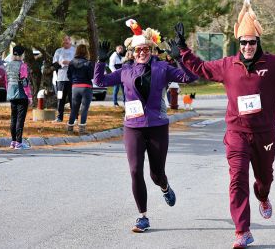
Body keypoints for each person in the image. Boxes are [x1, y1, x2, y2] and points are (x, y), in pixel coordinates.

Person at [172, 0, 275, 248]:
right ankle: (242, 231)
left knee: (264, 178)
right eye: (243, 42)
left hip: (265, 134)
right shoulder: (227, 66)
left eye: (251, 42)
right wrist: (183, 49)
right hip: (236, 132)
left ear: (258, 42)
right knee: (237, 179)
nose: (247, 46)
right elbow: (200, 68)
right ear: (239, 43)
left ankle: (264, 196)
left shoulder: (274, 64)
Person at [94, 19, 199, 233]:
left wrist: (179, 57)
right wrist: (100, 61)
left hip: (157, 126)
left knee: (156, 173)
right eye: (138, 49)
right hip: (133, 127)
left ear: (151, 49)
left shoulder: (162, 68)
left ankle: (164, 186)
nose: (142, 52)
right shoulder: (125, 70)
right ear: (133, 51)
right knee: (134, 170)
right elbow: (100, 82)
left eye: (146, 49)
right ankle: (142, 216)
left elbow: (191, 77)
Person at [4, 45, 33, 149]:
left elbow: (6, 81)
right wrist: (29, 96)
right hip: (21, 94)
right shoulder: (23, 65)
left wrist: (9, 92)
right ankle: (19, 143)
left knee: (13, 118)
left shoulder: (7, 65)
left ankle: (13, 142)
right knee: (20, 119)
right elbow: (25, 82)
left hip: (11, 94)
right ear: (22, 54)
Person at [67, 44, 94, 135]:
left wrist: (74, 81)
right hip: (86, 87)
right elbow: (91, 76)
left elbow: (68, 75)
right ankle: (82, 129)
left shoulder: (71, 62)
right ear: (86, 52)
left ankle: (70, 128)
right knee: (84, 108)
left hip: (75, 87)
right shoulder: (88, 63)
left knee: (74, 108)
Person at [52, 35, 76, 122]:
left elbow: (78, 63)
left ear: (70, 41)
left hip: (72, 79)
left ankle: (74, 117)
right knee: (60, 98)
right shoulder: (58, 51)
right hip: (60, 79)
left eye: (67, 40)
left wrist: (69, 63)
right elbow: (54, 64)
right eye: (64, 40)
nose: (65, 42)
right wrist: (60, 63)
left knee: (72, 98)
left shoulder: (74, 50)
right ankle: (59, 117)